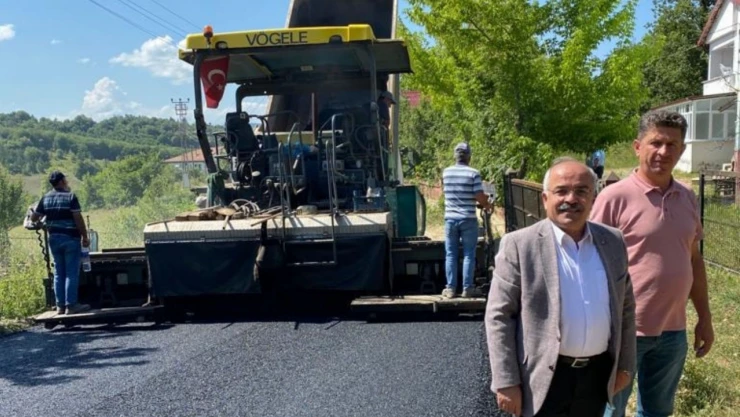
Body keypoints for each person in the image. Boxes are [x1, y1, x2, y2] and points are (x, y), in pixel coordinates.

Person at [485, 157, 636, 417]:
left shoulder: (612, 241)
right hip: (542, 380)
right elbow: (499, 316)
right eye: (561, 191)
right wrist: (506, 380)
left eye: (581, 191)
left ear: (593, 197)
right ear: (545, 199)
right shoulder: (520, 245)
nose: (571, 199)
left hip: (596, 378)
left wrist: (625, 366)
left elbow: (626, 308)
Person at [590, 110, 714, 417]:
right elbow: (590, 264)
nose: (663, 151)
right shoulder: (614, 198)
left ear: (682, 150)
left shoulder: (687, 196)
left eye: (672, 144)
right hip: (624, 330)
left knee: (658, 412)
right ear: (637, 146)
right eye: (656, 143)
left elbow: (694, 260)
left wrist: (705, 317)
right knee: (610, 410)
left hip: (673, 330)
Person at [31, 171, 91, 315]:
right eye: (65, 179)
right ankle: (71, 305)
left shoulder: (45, 198)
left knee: (58, 273)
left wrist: (37, 218)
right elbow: (78, 218)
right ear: (62, 182)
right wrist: (84, 236)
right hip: (70, 238)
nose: (67, 182)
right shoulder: (70, 196)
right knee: (71, 273)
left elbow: (34, 218)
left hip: (54, 239)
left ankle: (60, 306)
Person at [441, 142, 493, 298]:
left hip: (450, 218)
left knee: (451, 254)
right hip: (468, 219)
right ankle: (467, 289)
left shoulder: (446, 173)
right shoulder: (473, 173)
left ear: (455, 156)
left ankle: (450, 289)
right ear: (469, 157)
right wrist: (487, 204)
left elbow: (449, 193)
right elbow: (479, 196)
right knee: (469, 254)